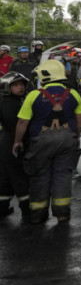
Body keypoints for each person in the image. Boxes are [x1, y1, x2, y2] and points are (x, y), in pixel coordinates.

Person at [13, 60, 81, 224]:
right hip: (67, 141)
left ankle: (38, 215)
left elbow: (22, 122)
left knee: (39, 176)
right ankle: (62, 214)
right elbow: (79, 118)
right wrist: (76, 136)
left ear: (44, 76)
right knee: (63, 175)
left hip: (40, 143)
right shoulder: (73, 93)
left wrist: (17, 141)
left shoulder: (33, 95)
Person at [0, 72, 30, 221]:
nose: (20, 87)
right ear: (7, 86)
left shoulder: (10, 100)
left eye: (22, 84)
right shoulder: (9, 104)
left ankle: (2, 208)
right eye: (16, 85)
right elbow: (16, 125)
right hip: (12, 142)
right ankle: (27, 211)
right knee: (19, 177)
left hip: (6, 142)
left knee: (5, 178)